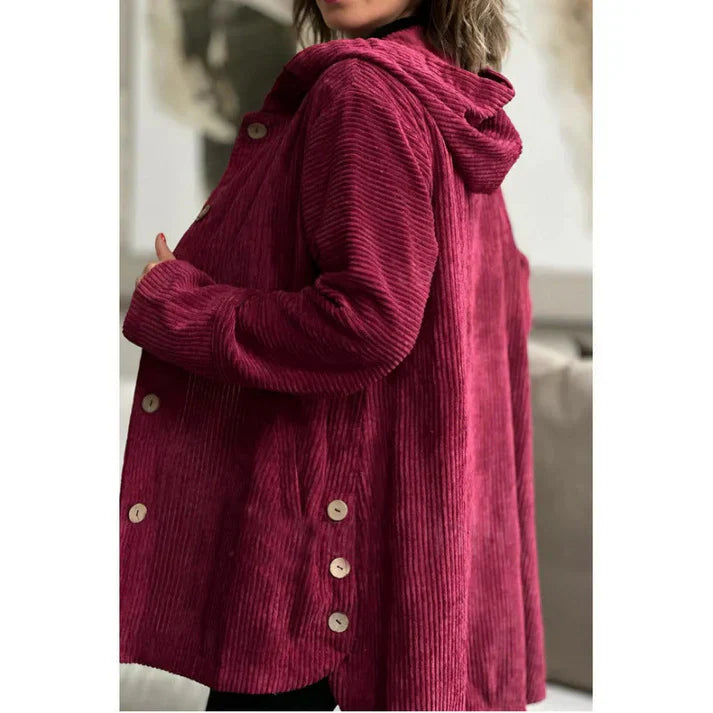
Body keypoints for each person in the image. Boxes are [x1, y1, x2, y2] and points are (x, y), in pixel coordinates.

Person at [119, 0, 547, 710]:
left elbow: (369, 324)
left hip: (317, 558)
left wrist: (180, 308)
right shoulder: (453, 99)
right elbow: (493, 310)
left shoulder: (361, 91)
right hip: (413, 555)